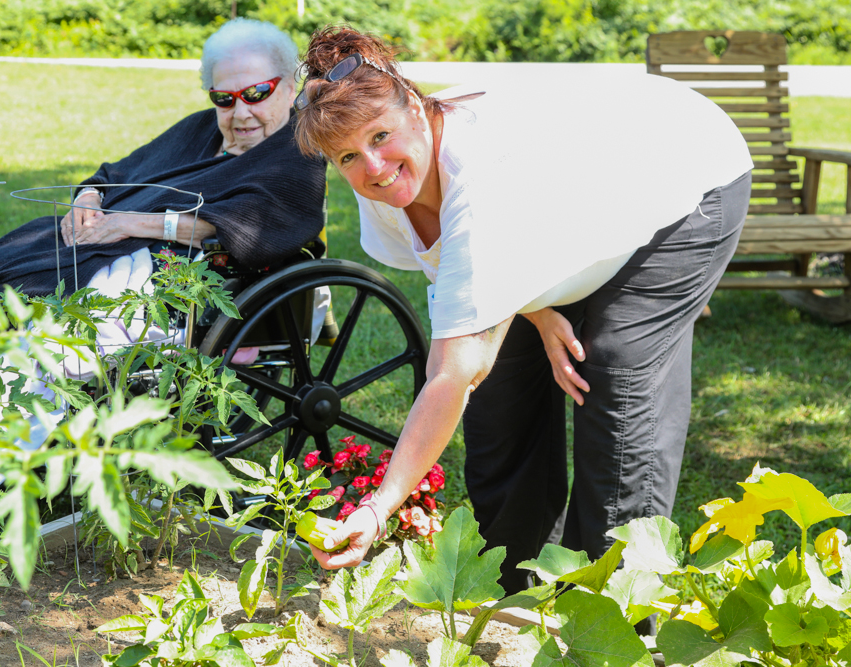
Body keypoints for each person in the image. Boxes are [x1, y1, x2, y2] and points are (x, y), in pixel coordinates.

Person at [294, 26, 753, 595]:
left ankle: (613, 609)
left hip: (679, 172)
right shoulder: (391, 192)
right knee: (502, 394)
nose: (375, 167)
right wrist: (536, 310)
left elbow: (453, 374)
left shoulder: (486, 178)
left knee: (615, 371)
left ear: (415, 107)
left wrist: (381, 505)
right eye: (348, 157)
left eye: (381, 136)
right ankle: (511, 595)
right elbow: (460, 267)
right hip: (565, 196)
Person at [0, 17, 327, 304]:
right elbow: (113, 175)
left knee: (30, 296)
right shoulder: (201, 129)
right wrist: (86, 200)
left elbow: (245, 225)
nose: (240, 113)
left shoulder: (296, 150)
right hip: (97, 243)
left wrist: (126, 224)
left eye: (257, 92)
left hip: (167, 271)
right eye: (224, 98)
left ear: (288, 86)